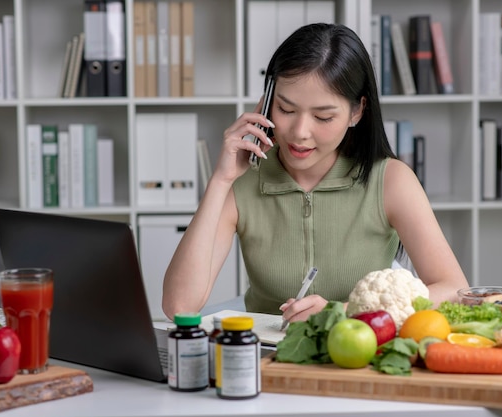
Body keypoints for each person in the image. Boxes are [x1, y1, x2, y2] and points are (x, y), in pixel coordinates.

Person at [162, 23, 469, 323]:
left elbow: (453, 288)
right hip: (266, 359)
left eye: (323, 116)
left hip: (358, 357)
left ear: (357, 111)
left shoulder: (390, 180)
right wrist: (221, 180)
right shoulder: (244, 179)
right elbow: (180, 306)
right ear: (267, 102)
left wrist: (343, 312)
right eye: (286, 110)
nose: (299, 133)